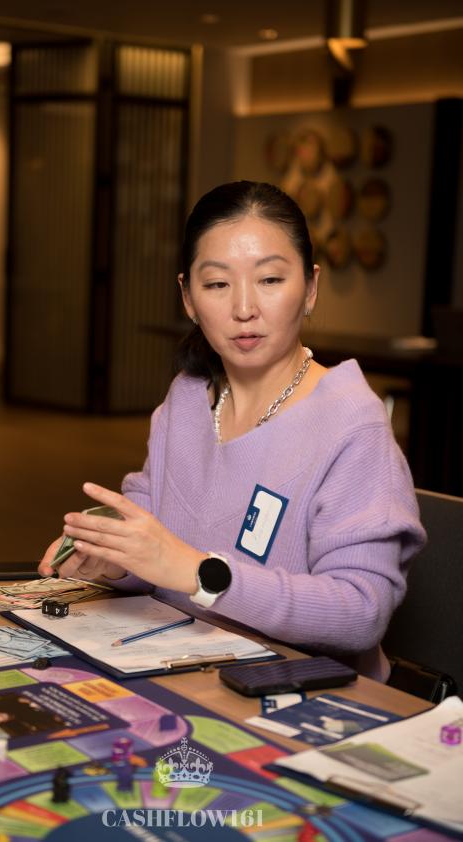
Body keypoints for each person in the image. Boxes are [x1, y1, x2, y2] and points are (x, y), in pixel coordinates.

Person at [39, 180, 426, 681]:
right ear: (188, 297)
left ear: (310, 288)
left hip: (304, 693)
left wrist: (199, 573)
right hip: (182, 671)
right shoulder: (186, 399)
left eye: (270, 279)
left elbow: (360, 612)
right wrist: (112, 560)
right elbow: (154, 540)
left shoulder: (352, 423)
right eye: (218, 284)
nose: (244, 308)